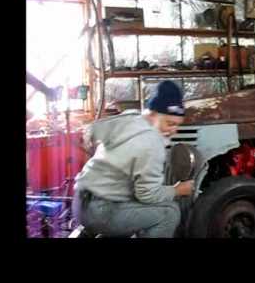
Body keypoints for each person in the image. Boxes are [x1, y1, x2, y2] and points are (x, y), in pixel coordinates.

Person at [72, 80, 194, 238]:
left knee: (137, 206)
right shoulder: (151, 142)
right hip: (100, 211)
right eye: (169, 123)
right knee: (169, 212)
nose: (173, 131)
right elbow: (148, 195)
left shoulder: (131, 117)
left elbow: (93, 131)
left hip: (81, 201)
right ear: (153, 114)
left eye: (177, 125)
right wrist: (178, 189)